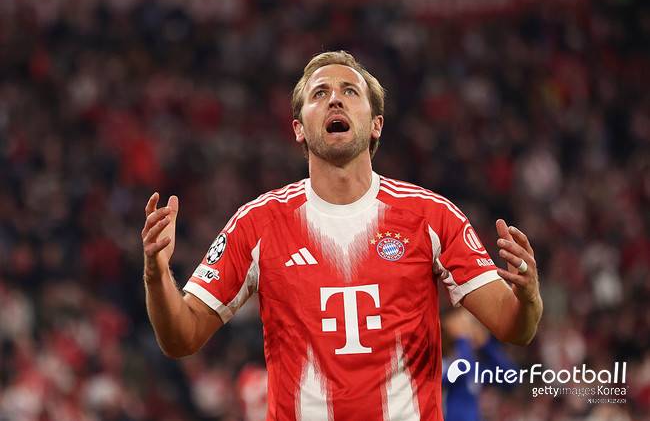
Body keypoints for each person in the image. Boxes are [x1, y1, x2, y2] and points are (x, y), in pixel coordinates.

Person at [141, 51, 543, 420]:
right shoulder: (258, 223)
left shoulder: (432, 217)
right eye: (320, 93)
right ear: (299, 128)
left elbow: (515, 328)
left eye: (350, 91)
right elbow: (181, 339)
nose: (335, 100)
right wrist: (157, 275)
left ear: (376, 124)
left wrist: (528, 298)